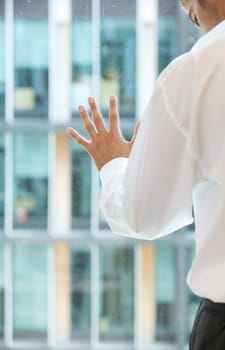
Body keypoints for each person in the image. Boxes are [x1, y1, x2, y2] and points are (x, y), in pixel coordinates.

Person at [67, 1, 225, 349]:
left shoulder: (200, 69)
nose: (187, 10)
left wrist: (114, 165)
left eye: (186, 2)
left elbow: (142, 215)